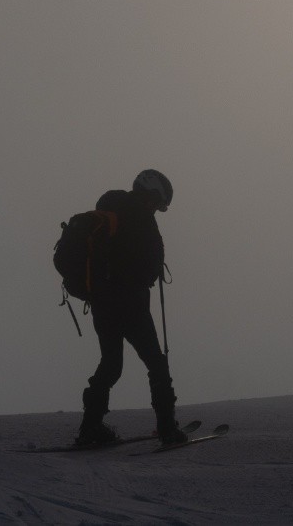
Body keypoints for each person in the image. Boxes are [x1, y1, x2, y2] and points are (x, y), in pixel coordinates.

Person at [74, 168, 187, 447]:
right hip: (130, 302)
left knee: (111, 365)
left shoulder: (111, 210)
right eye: (158, 203)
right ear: (150, 194)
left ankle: (90, 429)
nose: (157, 209)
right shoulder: (139, 217)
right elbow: (148, 264)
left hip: (101, 301)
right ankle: (167, 429)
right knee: (156, 363)